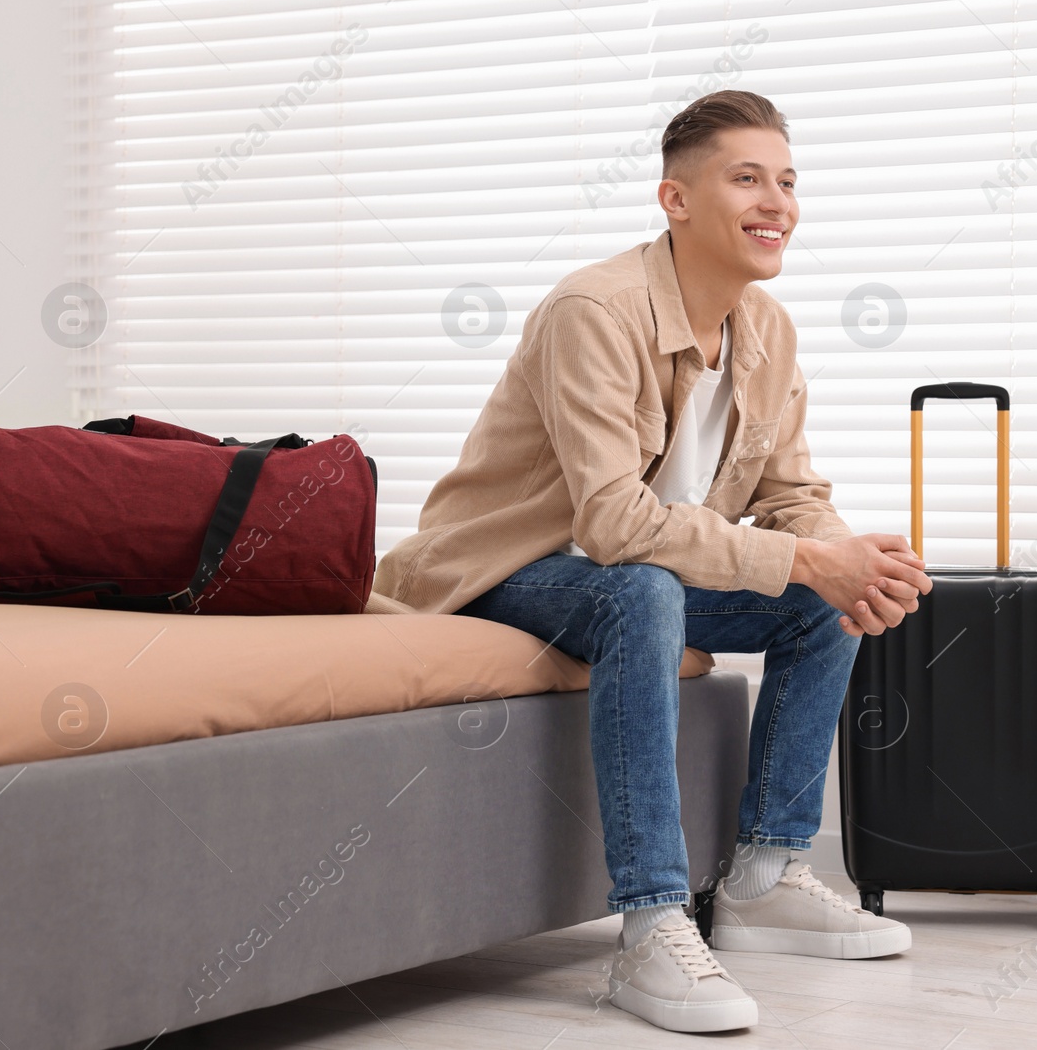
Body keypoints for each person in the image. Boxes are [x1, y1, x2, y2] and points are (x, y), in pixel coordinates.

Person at [375, 89, 932, 1034]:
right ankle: (651, 921)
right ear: (675, 199)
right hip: (508, 571)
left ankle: (762, 874)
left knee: (815, 601)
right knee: (644, 587)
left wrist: (844, 563)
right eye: (746, 178)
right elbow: (615, 524)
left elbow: (793, 496)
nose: (776, 202)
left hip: (642, 577)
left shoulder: (770, 332)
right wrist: (804, 554)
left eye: (788, 182)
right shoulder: (595, 309)